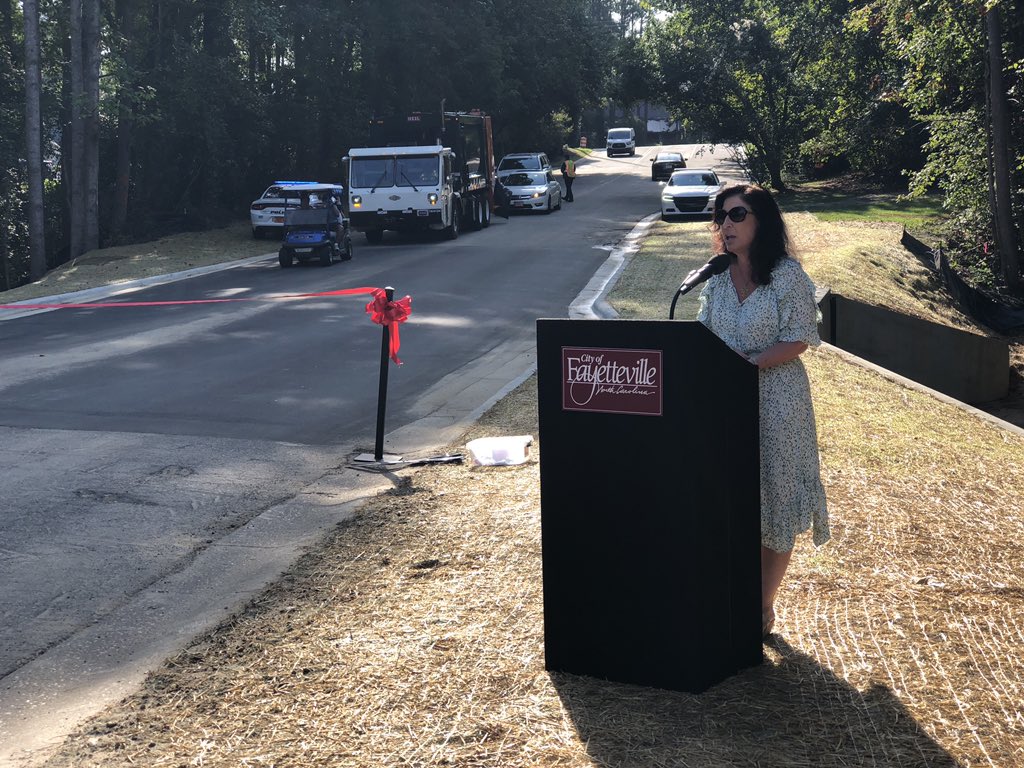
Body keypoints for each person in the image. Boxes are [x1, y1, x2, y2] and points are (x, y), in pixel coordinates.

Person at [695, 183, 829, 639]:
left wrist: (749, 365)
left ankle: (762, 605)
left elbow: (801, 338)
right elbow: (702, 335)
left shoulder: (787, 275)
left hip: (777, 400)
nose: (725, 225)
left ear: (761, 221)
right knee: (728, 496)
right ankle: (726, 591)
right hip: (723, 403)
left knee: (775, 496)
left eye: (736, 215)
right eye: (720, 217)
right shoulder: (714, 276)